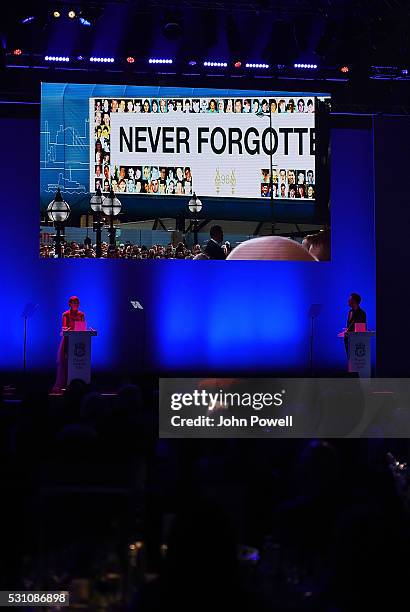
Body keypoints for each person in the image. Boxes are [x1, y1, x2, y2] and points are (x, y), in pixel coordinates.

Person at [52, 296, 86, 393]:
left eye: (77, 302)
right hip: (67, 339)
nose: (75, 304)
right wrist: (70, 330)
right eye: (73, 302)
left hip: (78, 340)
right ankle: (66, 382)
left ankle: (78, 382)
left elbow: (82, 327)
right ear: (70, 304)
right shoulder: (65, 314)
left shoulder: (82, 314)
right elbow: (64, 328)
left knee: (76, 360)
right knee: (65, 361)